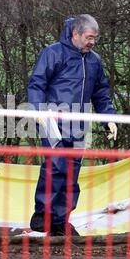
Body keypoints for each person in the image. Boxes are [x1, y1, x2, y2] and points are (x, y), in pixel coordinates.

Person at [27, 14, 118, 236]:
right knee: (54, 166)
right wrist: (38, 110)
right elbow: (37, 84)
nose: (92, 42)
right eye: (89, 37)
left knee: (71, 171)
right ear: (75, 34)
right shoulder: (53, 53)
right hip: (52, 120)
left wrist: (109, 118)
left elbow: (101, 93)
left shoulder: (94, 60)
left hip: (78, 123)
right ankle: (42, 215)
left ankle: (60, 220)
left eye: (95, 38)